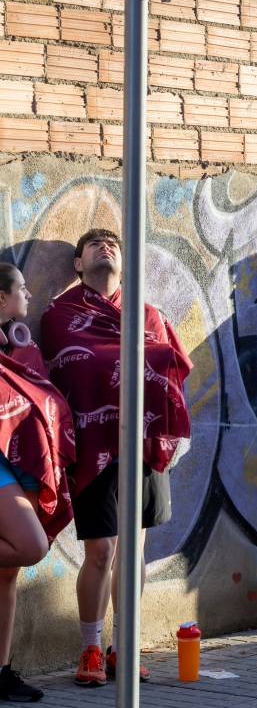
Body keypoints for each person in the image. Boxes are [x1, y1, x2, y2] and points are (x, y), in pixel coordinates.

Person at [41, 229, 192, 688]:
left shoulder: (147, 314)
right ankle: (90, 643)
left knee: (135, 551)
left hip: (142, 441)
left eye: (113, 245)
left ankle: (121, 647)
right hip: (93, 443)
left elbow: (169, 365)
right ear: (78, 266)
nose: (105, 248)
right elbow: (73, 365)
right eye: (94, 245)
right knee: (102, 550)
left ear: (125, 264)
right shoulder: (60, 314)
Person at [0, 263, 75, 702]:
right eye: (21, 289)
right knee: (31, 546)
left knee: (7, 573)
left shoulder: (16, 342)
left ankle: (1, 669)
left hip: (15, 461)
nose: (28, 295)